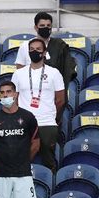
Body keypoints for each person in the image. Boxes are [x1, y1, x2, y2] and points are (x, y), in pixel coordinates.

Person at [11, 38, 65, 173]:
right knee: (22, 158)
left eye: (38, 49)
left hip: (47, 122)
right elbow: (14, 99)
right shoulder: (18, 74)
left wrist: (53, 115)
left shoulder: (54, 73)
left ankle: (50, 187)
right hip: (24, 123)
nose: (35, 52)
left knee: (48, 161)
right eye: (32, 49)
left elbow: (60, 100)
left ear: (44, 52)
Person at [15, 11, 76, 94]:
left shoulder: (59, 45)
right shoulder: (25, 46)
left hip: (52, 92)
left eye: (48, 26)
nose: (46, 28)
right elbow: (20, 70)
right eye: (42, 26)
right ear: (36, 28)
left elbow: (67, 70)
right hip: (30, 91)